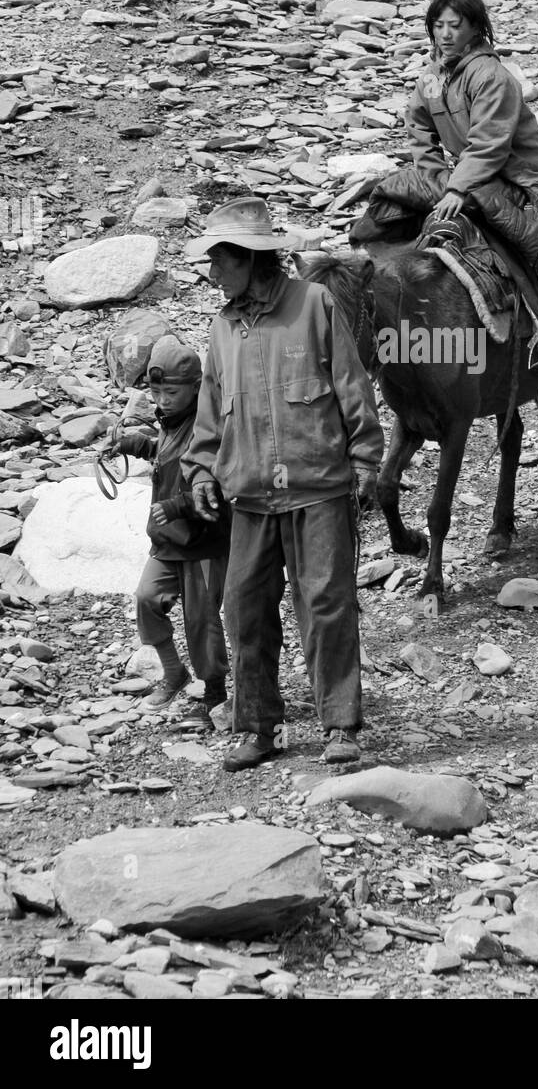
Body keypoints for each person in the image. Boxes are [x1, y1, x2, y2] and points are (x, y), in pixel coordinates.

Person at [182, 198, 384, 772]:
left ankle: (340, 725)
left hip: (318, 486)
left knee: (326, 604)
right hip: (249, 495)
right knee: (243, 609)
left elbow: (351, 384)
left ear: (249, 259)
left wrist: (367, 459)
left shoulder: (313, 304)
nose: (212, 272)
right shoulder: (222, 328)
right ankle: (258, 728)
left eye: (219, 260)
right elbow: (209, 414)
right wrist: (200, 470)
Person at [406, 0, 538, 372]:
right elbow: (420, 131)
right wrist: (438, 183)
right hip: (474, 178)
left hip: (523, 178)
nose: (446, 34)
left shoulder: (491, 76)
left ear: (475, 28)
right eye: (438, 25)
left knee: (530, 242)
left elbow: (489, 141)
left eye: (455, 25)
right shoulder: (431, 79)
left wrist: (457, 187)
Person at [115, 335, 231, 720]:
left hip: (203, 541)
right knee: (148, 599)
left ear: (196, 387)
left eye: (170, 392)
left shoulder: (208, 425)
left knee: (203, 621)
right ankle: (173, 672)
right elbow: (169, 457)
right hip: (166, 539)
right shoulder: (171, 419)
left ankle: (214, 691)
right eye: (156, 391)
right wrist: (139, 444)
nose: (162, 400)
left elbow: (221, 482)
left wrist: (179, 505)